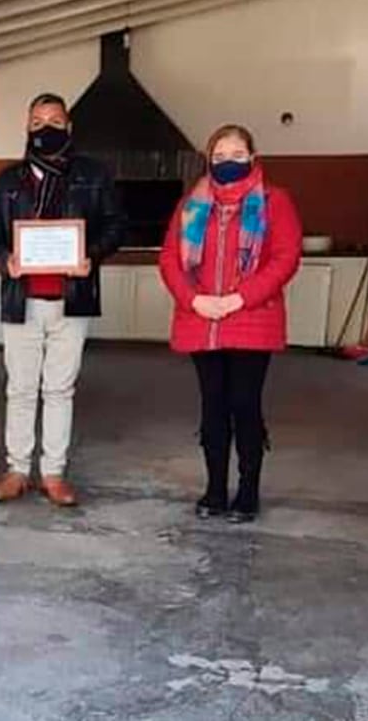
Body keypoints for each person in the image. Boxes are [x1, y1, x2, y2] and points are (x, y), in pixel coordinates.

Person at [0, 93, 126, 507]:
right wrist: (4, 258)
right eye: (37, 122)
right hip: (21, 300)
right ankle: (17, 470)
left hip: (72, 299)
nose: (46, 129)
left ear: (69, 127)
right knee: (21, 388)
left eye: (55, 121)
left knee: (60, 389)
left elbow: (116, 226)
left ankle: (54, 473)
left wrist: (91, 255)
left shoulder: (94, 175)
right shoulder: (9, 181)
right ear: (26, 128)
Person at [158, 124, 302, 524]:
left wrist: (240, 297)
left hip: (252, 318)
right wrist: (194, 300)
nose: (228, 163)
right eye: (219, 157)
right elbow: (170, 258)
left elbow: (285, 257)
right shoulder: (191, 203)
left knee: (244, 404)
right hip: (201, 319)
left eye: (237, 155)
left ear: (253, 158)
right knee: (213, 407)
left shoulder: (275, 201)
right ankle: (215, 489)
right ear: (209, 160)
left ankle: (249, 490)